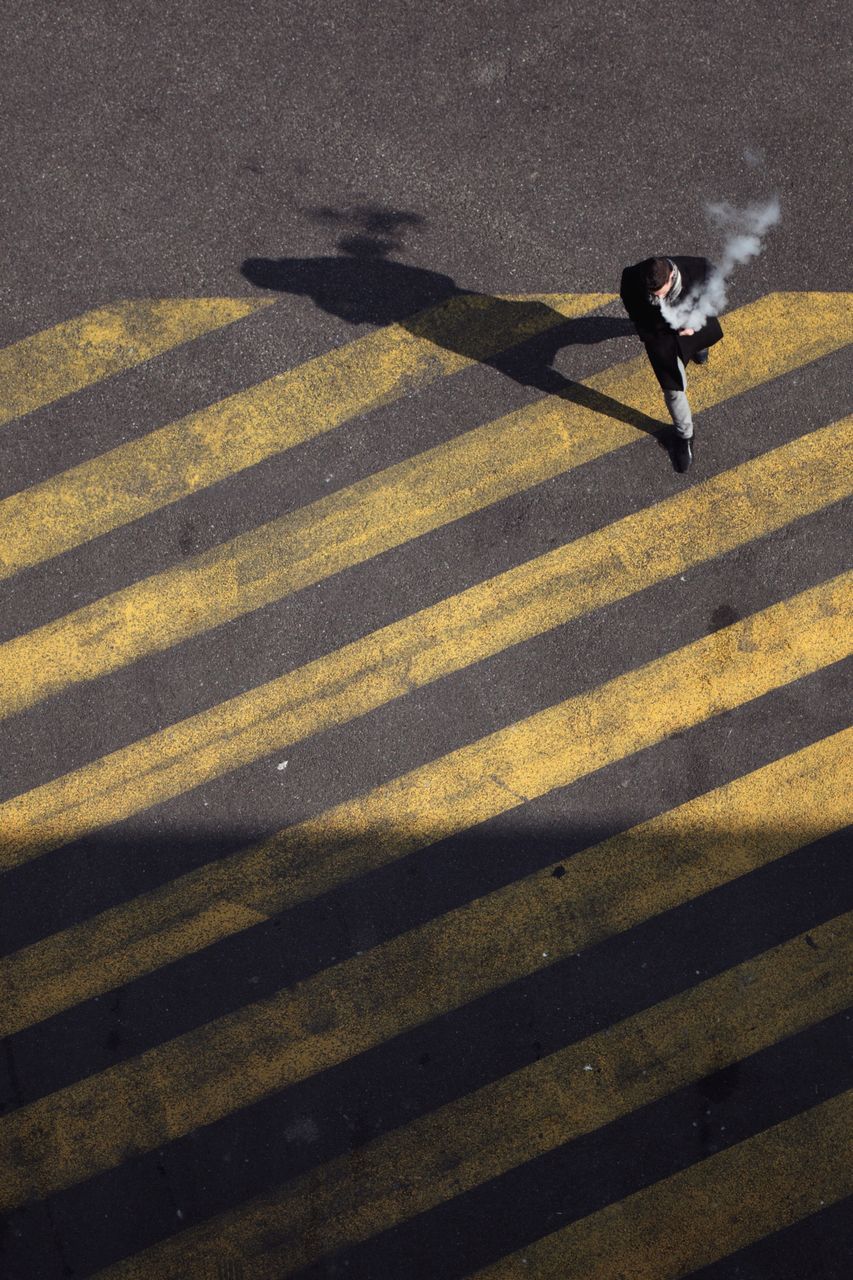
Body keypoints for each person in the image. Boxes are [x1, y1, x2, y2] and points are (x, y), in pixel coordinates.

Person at [620, 256, 724, 472]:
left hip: (693, 326)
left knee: (700, 341)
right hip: (661, 337)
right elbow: (636, 313)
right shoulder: (632, 278)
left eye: (663, 293)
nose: (659, 298)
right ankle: (685, 436)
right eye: (654, 296)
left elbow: (715, 295)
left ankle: (697, 346)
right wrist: (653, 332)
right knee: (673, 390)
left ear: (672, 275)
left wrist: (696, 324)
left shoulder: (698, 269)